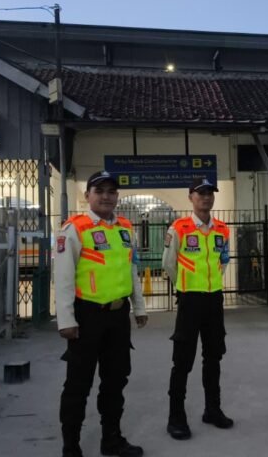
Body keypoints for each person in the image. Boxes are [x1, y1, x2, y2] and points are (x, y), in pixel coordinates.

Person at [54, 171, 148, 457]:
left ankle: (112, 440)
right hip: (87, 317)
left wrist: (139, 306)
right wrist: (66, 320)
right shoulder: (74, 228)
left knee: (115, 380)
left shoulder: (125, 228)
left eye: (111, 191)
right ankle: (71, 446)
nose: (106, 196)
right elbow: (64, 278)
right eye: (100, 191)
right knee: (78, 384)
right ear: (88, 196)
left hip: (118, 317)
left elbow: (131, 269)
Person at [161, 177, 233, 440]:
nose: (206, 198)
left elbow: (223, 260)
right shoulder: (179, 228)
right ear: (190, 197)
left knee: (213, 357)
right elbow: (168, 264)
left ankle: (212, 410)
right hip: (189, 301)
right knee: (182, 361)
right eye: (201, 193)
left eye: (210, 193)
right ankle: (176, 417)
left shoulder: (222, 229)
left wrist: (211, 283)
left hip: (214, 301)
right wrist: (184, 286)